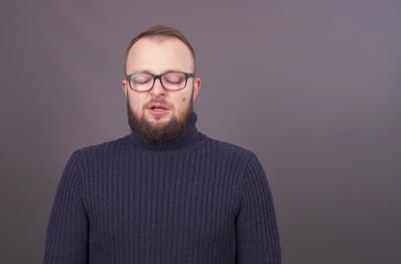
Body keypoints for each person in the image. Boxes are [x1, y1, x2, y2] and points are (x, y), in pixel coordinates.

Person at [43, 25, 281, 264]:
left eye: (174, 79)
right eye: (142, 79)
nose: (157, 90)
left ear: (194, 88)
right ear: (127, 89)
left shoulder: (242, 171)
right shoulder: (84, 170)